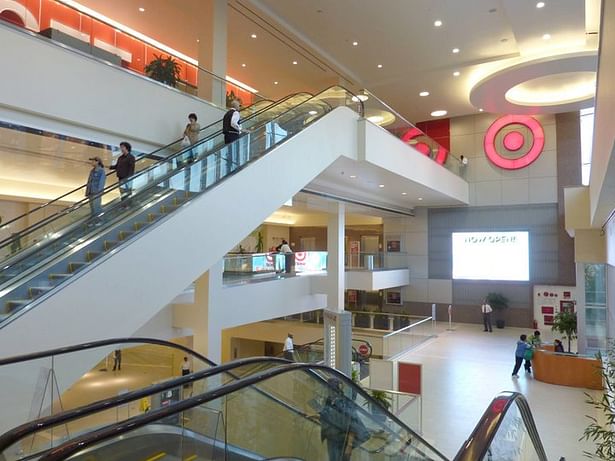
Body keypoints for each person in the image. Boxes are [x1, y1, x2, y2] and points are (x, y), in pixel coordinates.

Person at [320, 378, 369, 461]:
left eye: (328, 388)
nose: (327, 390)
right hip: (332, 438)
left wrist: (349, 445)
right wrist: (313, 415)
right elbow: (328, 416)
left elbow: (352, 423)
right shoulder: (329, 401)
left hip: (342, 440)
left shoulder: (344, 403)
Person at [222, 100, 242, 174]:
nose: (239, 107)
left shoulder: (227, 113)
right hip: (233, 135)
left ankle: (229, 168)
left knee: (229, 152)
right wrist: (239, 129)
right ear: (236, 106)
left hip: (227, 135)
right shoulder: (236, 113)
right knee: (234, 152)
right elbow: (233, 123)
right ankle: (234, 169)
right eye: (239, 105)